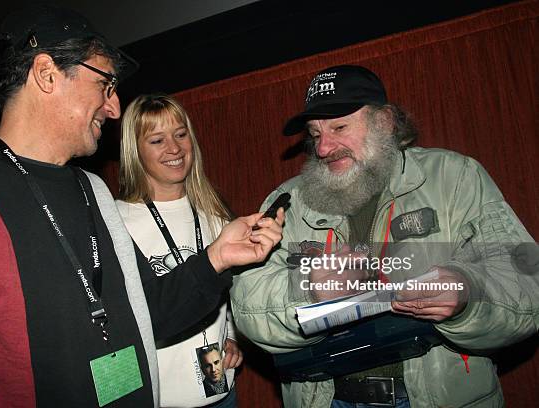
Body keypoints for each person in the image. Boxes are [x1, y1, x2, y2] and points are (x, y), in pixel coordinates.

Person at [0, 5, 284, 407]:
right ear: (47, 74)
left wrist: (217, 258)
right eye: (105, 84)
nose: (114, 108)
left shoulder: (93, 190)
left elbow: (150, 312)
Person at [231, 65, 538, 407]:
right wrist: (306, 291)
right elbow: (246, 308)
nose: (323, 148)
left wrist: (467, 291)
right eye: (315, 134)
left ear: (385, 122)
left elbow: (526, 285)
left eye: (339, 127)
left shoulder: (455, 178)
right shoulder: (288, 202)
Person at [116, 94, 242, 407]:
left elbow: (231, 295)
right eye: (157, 140)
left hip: (222, 393)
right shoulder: (116, 221)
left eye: (181, 134)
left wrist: (231, 337)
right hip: (160, 399)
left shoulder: (216, 215)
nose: (174, 148)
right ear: (136, 150)